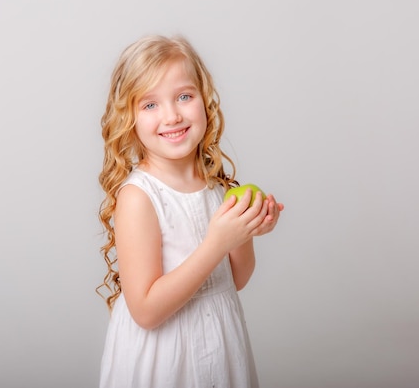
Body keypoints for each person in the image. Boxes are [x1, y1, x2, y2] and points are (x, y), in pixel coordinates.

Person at [97, 34, 283, 388]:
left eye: (184, 96)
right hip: (164, 358)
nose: (172, 115)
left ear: (204, 101)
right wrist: (216, 242)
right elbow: (146, 311)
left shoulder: (217, 187)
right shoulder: (139, 197)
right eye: (149, 105)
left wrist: (244, 230)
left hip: (220, 344)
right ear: (129, 118)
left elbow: (237, 280)